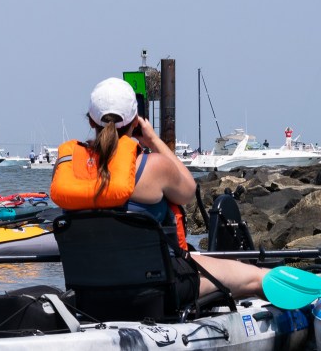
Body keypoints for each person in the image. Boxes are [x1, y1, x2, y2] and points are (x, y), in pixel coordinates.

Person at [50, 77, 267, 302]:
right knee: (257, 278)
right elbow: (189, 190)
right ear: (136, 121)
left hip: (90, 293)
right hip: (155, 290)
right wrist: (153, 140)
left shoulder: (70, 169)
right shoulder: (153, 166)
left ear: (91, 122)